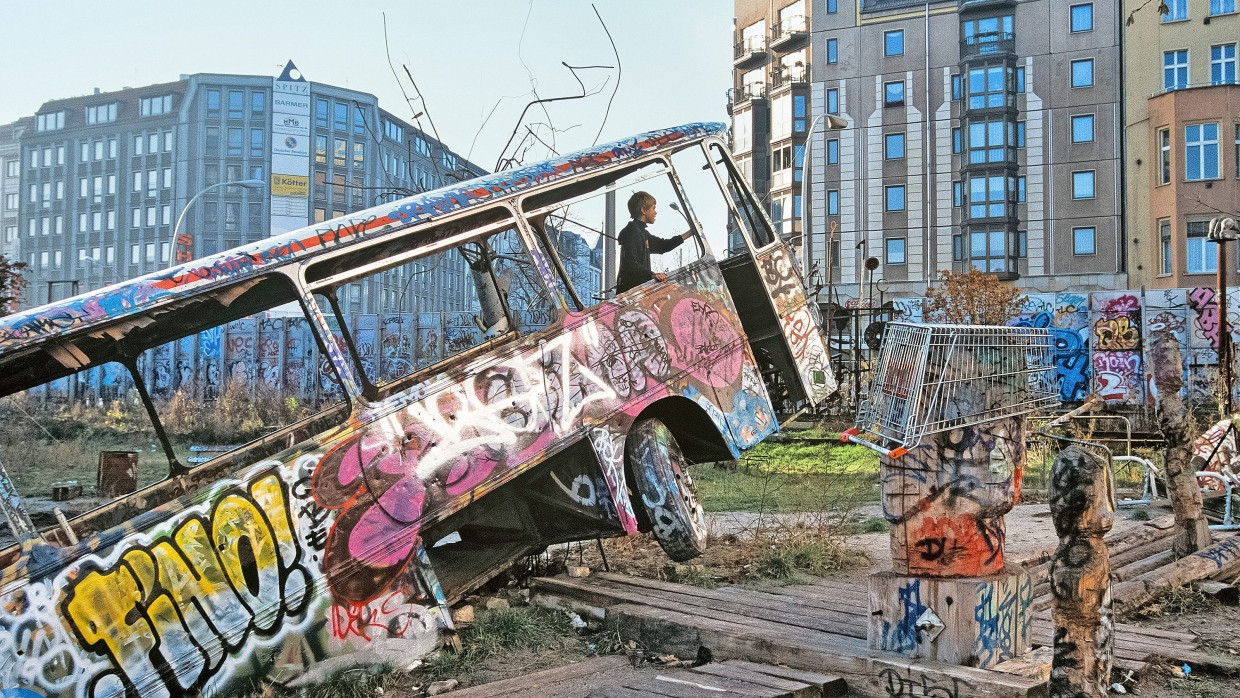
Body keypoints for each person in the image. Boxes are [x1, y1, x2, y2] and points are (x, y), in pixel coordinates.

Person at [615, 191, 693, 293]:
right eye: (653, 208)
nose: (655, 212)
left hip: (636, 290)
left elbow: (663, 246)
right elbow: (631, 264)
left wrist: (690, 233)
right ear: (643, 210)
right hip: (632, 292)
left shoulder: (642, 232)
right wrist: (652, 275)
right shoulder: (633, 232)